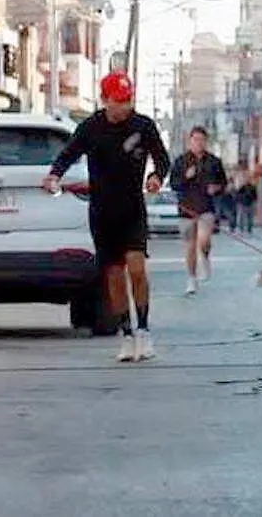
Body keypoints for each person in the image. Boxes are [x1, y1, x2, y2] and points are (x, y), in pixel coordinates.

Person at [43, 72, 171, 363]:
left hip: (133, 209)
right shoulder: (91, 128)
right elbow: (69, 153)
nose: (123, 107)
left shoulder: (143, 126)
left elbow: (162, 159)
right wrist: (54, 175)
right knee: (113, 274)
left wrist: (156, 177)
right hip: (102, 212)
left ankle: (144, 331)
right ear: (105, 100)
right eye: (118, 101)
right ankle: (126, 333)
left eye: (127, 100)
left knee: (137, 268)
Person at [168, 126, 228, 295]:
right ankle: (191, 278)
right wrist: (186, 176)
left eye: (202, 140)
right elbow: (174, 184)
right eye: (195, 140)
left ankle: (206, 258)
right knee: (190, 246)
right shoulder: (181, 161)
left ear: (206, 142)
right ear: (190, 141)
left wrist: (216, 188)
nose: (199, 143)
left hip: (205, 208)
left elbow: (223, 183)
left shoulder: (214, 161)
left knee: (204, 240)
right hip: (186, 209)